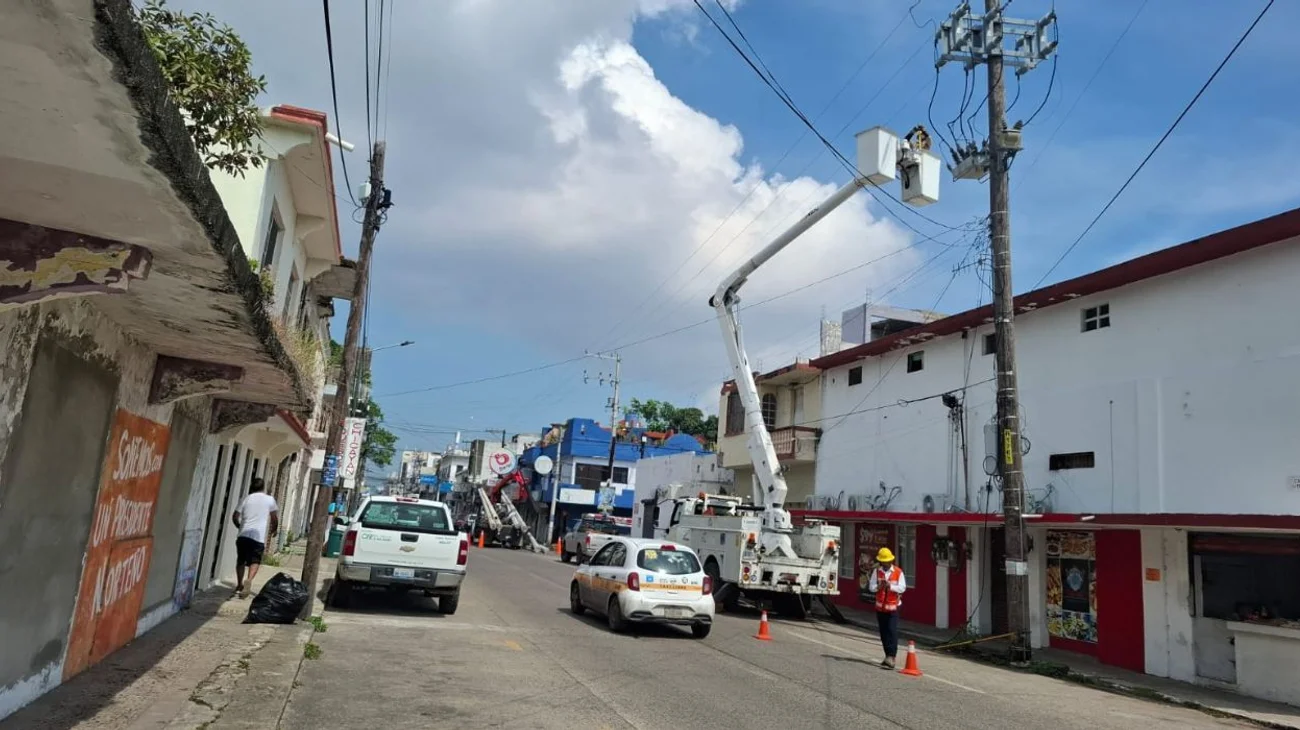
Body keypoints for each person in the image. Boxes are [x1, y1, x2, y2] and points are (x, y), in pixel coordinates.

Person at [232, 478, 279, 598]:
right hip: (258, 537)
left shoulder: (246, 498)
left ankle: (239, 584)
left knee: (240, 560)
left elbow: (235, 516)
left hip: (243, 535)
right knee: (255, 560)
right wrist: (274, 529)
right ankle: (249, 579)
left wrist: (240, 527)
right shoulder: (270, 500)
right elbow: (274, 518)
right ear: (263, 487)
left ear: (252, 487)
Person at [868, 547, 907, 668]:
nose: (886, 563)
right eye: (884, 561)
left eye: (887, 561)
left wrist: (890, 586)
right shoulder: (877, 572)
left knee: (891, 631)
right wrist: (878, 587)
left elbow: (902, 588)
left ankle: (891, 656)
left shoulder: (898, 572)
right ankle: (887, 656)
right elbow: (871, 587)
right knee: (883, 633)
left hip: (893, 607)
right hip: (880, 608)